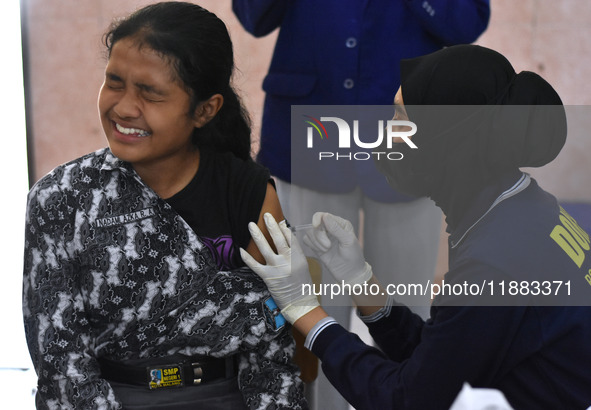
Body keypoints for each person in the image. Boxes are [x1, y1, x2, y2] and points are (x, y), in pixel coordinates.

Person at [241, 45, 591, 409]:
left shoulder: (495, 263)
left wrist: (305, 312)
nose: (386, 132)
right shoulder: (523, 208)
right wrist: (362, 282)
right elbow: (447, 357)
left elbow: (408, 400)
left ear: (446, 141)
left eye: (400, 117)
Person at [22, 2, 306, 409]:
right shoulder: (62, 198)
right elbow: (61, 363)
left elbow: (272, 350)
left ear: (205, 110)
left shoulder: (249, 192)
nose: (123, 107)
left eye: (150, 93)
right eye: (114, 82)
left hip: (226, 397)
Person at [233, 3, 490, 406]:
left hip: (411, 132)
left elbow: (465, 23)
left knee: (405, 301)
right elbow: (254, 16)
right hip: (311, 125)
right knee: (308, 301)